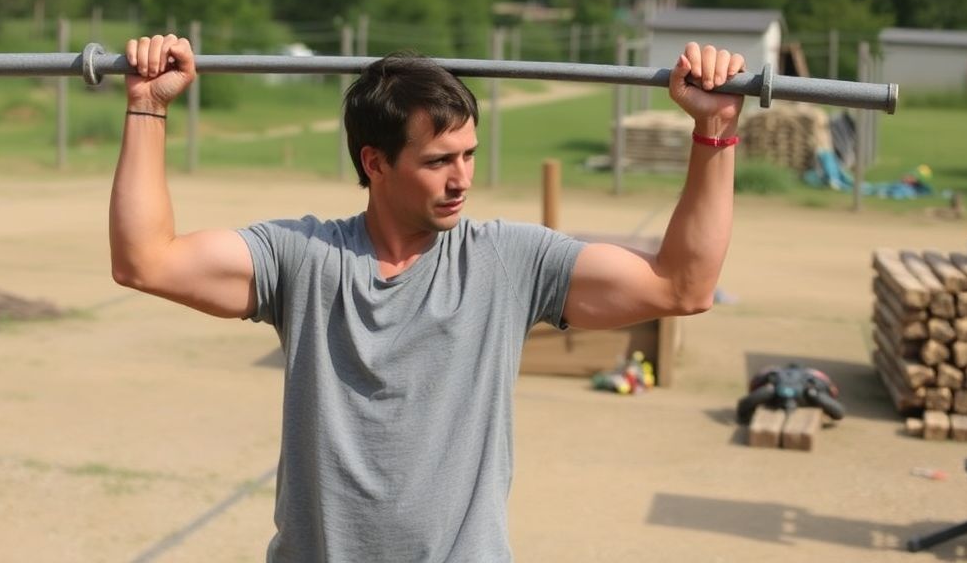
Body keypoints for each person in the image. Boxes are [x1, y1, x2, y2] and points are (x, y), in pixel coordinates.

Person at [109, 35, 746, 562]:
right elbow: (145, 261)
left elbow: (682, 286)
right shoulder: (303, 259)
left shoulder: (506, 262)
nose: (463, 178)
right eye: (440, 160)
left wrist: (714, 129)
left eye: (469, 154)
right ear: (375, 163)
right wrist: (146, 107)